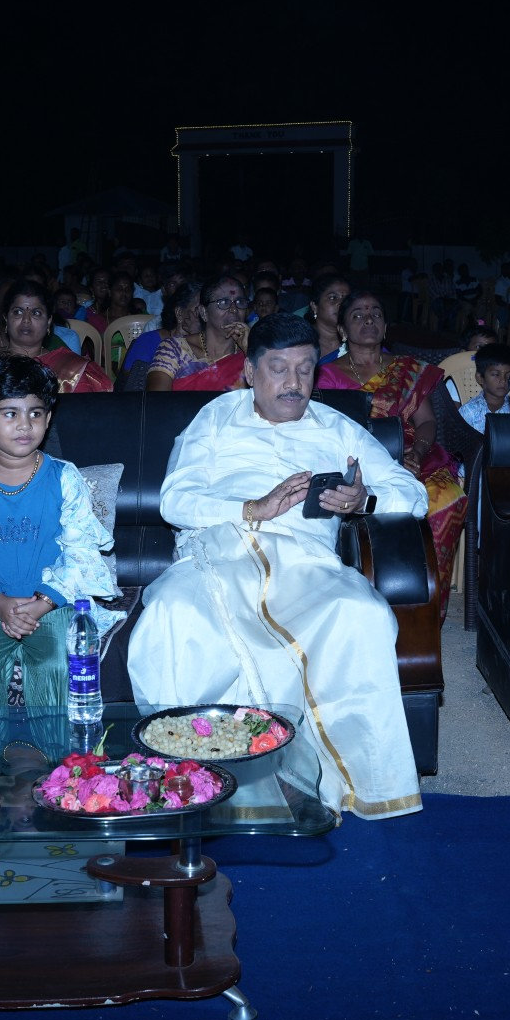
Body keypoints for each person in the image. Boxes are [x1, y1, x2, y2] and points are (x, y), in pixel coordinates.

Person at [127, 314, 428, 820]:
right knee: (172, 614)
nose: (294, 382)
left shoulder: (337, 427)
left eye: (305, 369)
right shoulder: (216, 417)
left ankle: (340, 781)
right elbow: (174, 499)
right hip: (218, 552)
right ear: (250, 372)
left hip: (306, 563)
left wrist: (364, 500)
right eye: (279, 368)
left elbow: (412, 493)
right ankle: (193, 781)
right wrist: (253, 508)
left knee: (363, 614)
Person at [0, 356, 120, 764]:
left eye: (35, 413)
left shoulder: (65, 477)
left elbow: (80, 552)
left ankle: (61, 766)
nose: (25, 424)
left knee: (58, 665)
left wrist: (43, 602)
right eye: (10, 413)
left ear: (48, 418)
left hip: (53, 600)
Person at [316, 289, 466, 594]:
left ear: (385, 327)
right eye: (358, 315)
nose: (368, 319)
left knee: (447, 498)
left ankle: (426, 599)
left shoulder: (407, 370)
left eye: (376, 314)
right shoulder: (325, 376)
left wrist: (418, 454)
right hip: (351, 461)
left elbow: (426, 422)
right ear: (342, 329)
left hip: (410, 454)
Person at [0, 279, 110, 395]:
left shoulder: (71, 368)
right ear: (6, 319)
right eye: (18, 312)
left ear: (48, 322)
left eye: (36, 313)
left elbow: (78, 421)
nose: (26, 320)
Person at [146, 276, 250, 390]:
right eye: (224, 302)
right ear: (204, 312)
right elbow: (156, 399)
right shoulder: (175, 349)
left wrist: (250, 351)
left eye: (240, 302)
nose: (234, 309)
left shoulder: (249, 352)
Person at [439, 341, 510, 476]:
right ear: (480, 378)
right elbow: (455, 448)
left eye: (509, 376)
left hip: (507, 471)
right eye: (496, 374)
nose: (503, 380)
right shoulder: (469, 412)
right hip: (472, 472)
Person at [121, 282, 198, 376]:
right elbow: (134, 380)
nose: (204, 315)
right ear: (179, 313)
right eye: (197, 310)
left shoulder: (208, 344)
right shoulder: (150, 342)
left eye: (206, 310)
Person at [308, 273, 350, 363]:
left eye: (346, 299)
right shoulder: (300, 340)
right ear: (314, 306)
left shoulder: (359, 339)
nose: (341, 303)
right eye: (333, 297)